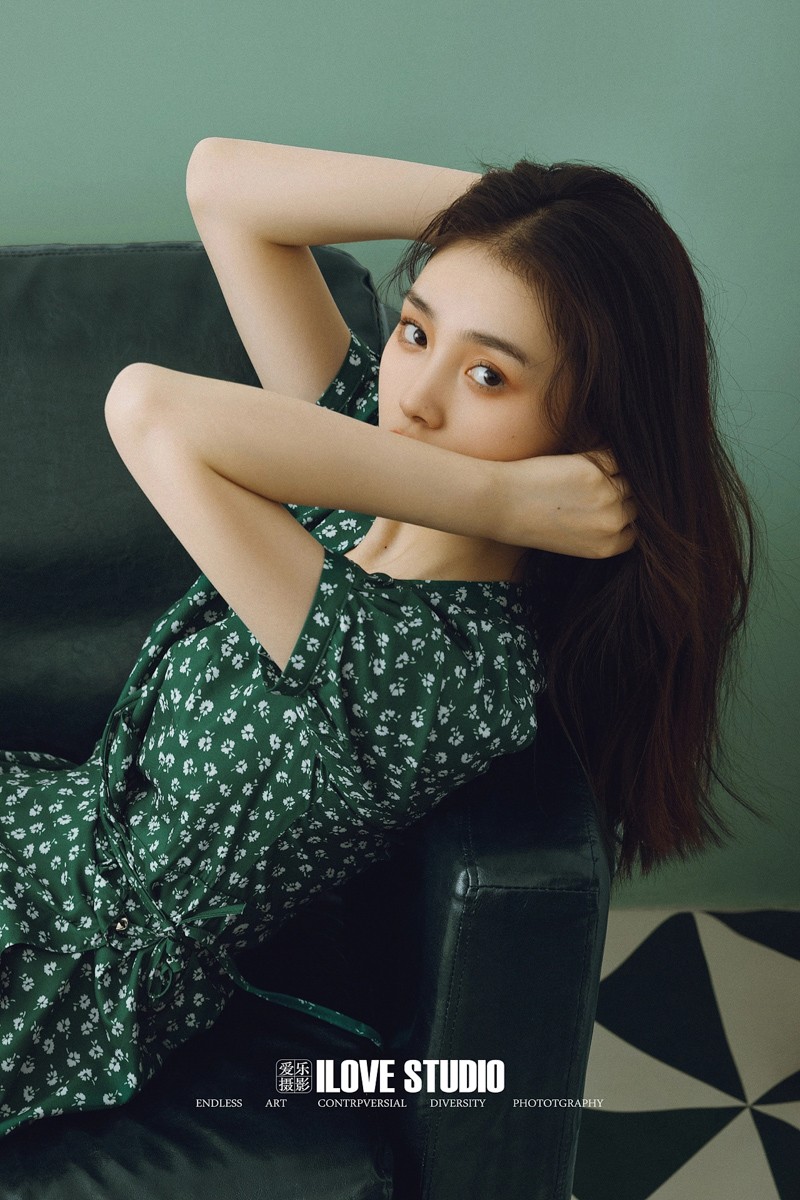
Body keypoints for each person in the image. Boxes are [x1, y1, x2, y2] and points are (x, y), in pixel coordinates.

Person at [0, 140, 758, 1136]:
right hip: (38, 833)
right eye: (414, 330)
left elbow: (150, 410)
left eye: (487, 374)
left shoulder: (447, 666)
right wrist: (524, 218)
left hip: (61, 958)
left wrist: (496, 500)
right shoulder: (365, 455)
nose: (416, 399)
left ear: (592, 432)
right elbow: (221, 185)